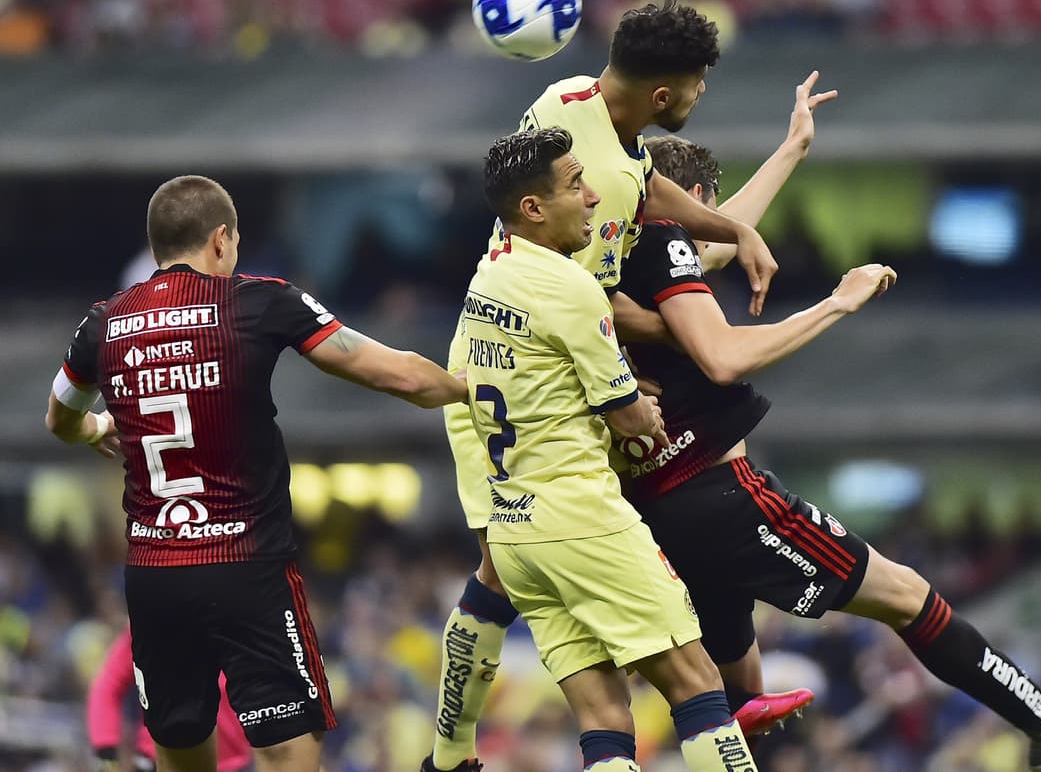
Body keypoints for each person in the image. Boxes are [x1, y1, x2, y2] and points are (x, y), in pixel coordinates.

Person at [617, 132, 1041, 772]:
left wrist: (791, 149)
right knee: (908, 596)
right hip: (721, 494)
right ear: (692, 200)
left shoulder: (614, 259)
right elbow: (724, 350)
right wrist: (839, 301)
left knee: (734, 704)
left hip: (657, 509)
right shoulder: (664, 255)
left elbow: (720, 239)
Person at [427, 0, 814, 772]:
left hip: (496, 365)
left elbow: (642, 185)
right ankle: (448, 753)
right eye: (699, 84)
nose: (703, 96)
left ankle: (450, 756)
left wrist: (733, 230)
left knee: (591, 682)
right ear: (665, 94)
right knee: (523, 585)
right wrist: (699, 338)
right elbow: (595, 305)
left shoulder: (573, 100)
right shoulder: (590, 188)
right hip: (535, 398)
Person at [46, 175, 468, 772]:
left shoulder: (104, 323)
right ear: (221, 239)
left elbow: (59, 416)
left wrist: (92, 430)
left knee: (181, 756)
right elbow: (398, 375)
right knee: (292, 754)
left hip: (153, 577)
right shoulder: (258, 300)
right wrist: (475, 388)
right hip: (247, 569)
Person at [452, 127, 761, 772]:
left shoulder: (489, 279)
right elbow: (632, 419)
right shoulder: (573, 291)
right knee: (697, 683)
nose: (594, 197)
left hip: (516, 532)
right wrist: (642, 409)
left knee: (603, 720)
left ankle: (448, 751)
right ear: (533, 208)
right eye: (576, 185)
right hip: (582, 518)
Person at [88, 626, 252, 772]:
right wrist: (107, 753)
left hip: (234, 764)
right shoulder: (154, 619)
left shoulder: (237, 614)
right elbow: (108, 685)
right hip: (160, 760)